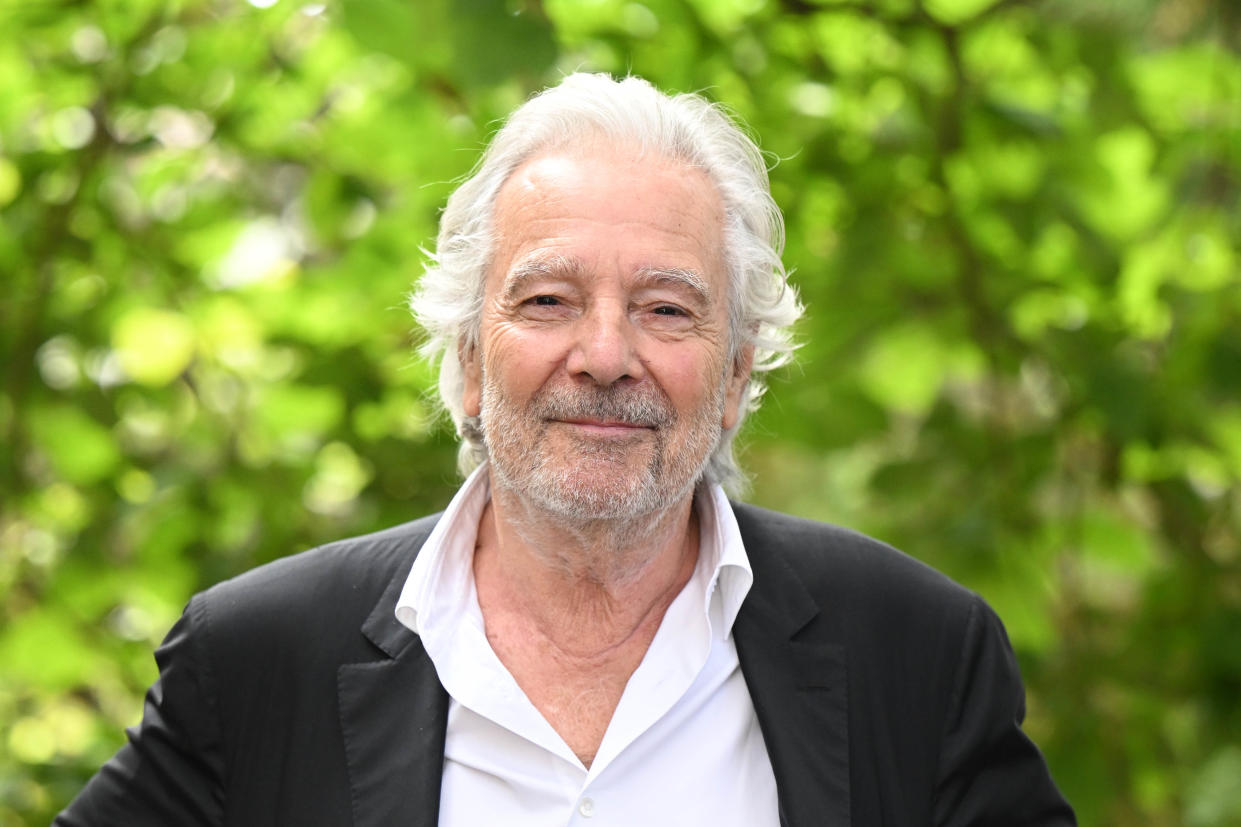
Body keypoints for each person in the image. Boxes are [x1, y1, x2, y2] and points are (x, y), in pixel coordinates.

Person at [56, 73, 1075, 826]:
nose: (602, 354)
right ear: (465, 359)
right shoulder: (259, 659)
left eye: (665, 308)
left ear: (730, 378)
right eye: (547, 300)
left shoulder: (915, 651)